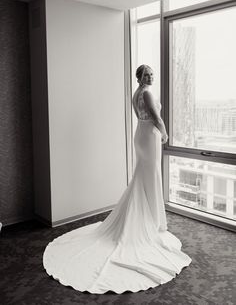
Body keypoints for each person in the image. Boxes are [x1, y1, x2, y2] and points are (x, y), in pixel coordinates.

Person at [43, 64, 192, 294]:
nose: (150, 77)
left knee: (143, 177)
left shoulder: (135, 94)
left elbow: (140, 116)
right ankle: (151, 221)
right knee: (150, 176)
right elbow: (155, 117)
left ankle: (149, 217)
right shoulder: (148, 93)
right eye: (146, 74)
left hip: (140, 135)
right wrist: (164, 133)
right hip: (150, 136)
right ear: (139, 77)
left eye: (151, 74)